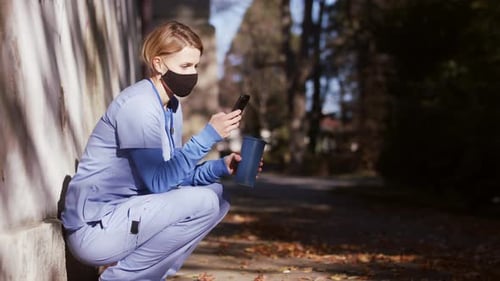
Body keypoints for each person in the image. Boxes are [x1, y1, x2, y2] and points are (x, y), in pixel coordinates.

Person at [61, 21, 260, 280]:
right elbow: (159, 182)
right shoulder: (139, 107)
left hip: (126, 216)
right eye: (185, 66)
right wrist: (208, 136)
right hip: (94, 230)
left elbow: (171, 175)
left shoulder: (170, 107)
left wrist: (221, 167)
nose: (192, 74)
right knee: (204, 201)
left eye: (196, 66)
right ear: (158, 64)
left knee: (218, 196)